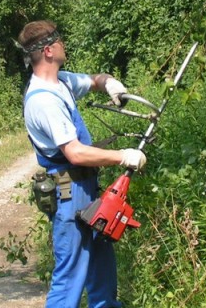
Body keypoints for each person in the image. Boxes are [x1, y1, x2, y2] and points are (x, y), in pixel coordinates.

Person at [18, 20, 146, 308]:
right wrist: (123, 155)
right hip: (68, 194)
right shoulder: (43, 101)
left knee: (102, 270)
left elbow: (93, 80)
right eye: (59, 40)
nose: (64, 43)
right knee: (70, 278)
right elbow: (75, 153)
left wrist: (110, 82)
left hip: (86, 188)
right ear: (49, 50)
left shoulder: (61, 81)